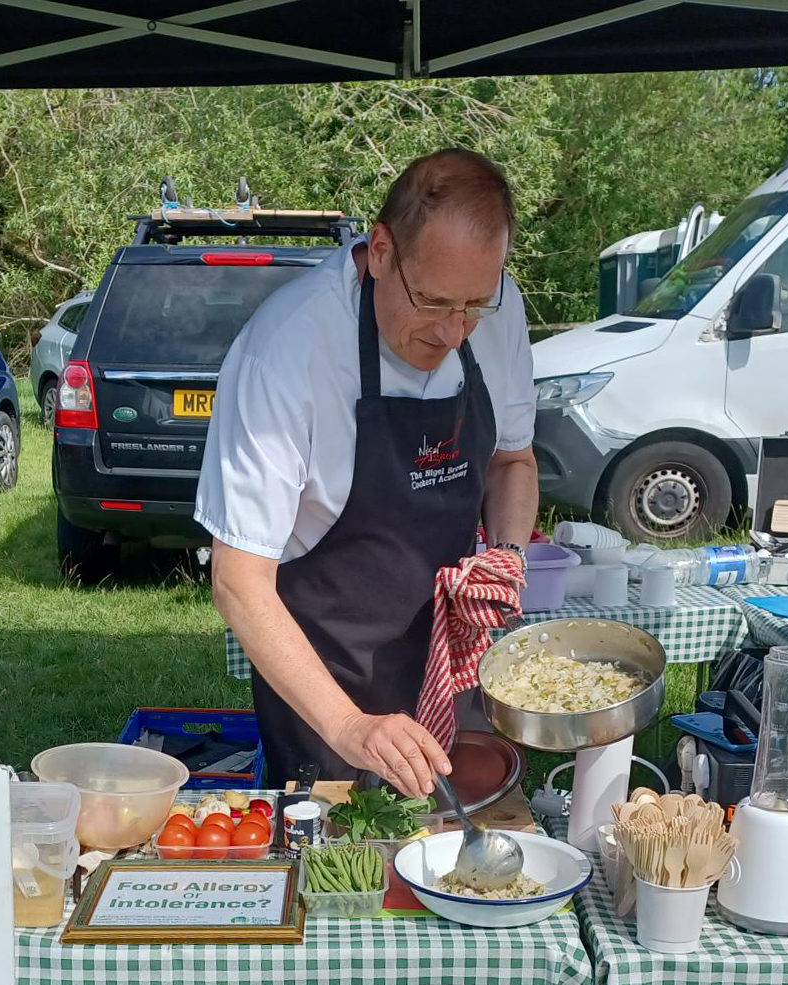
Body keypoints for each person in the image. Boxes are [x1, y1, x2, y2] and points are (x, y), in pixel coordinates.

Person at [196, 149, 539, 797]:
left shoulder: (495, 307)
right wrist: (350, 727)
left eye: (474, 305)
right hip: (328, 680)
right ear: (380, 251)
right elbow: (238, 582)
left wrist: (507, 556)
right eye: (432, 301)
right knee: (346, 851)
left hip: (455, 657)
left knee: (464, 837)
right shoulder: (287, 350)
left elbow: (512, 461)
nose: (454, 332)